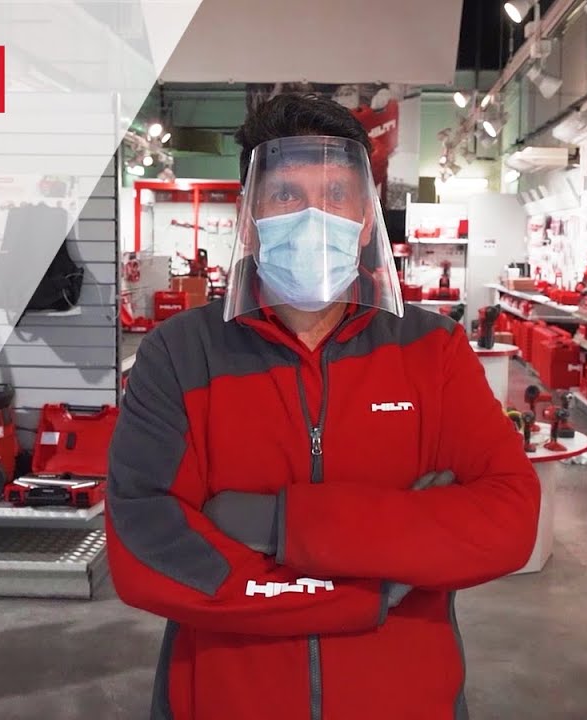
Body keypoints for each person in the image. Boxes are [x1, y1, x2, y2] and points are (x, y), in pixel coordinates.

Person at [106, 93, 542, 720]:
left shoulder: (432, 348)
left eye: (337, 194)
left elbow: (508, 520)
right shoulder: (180, 353)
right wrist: (376, 584)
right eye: (286, 194)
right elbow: (145, 549)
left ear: (366, 219)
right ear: (249, 217)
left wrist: (282, 526)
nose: (314, 217)